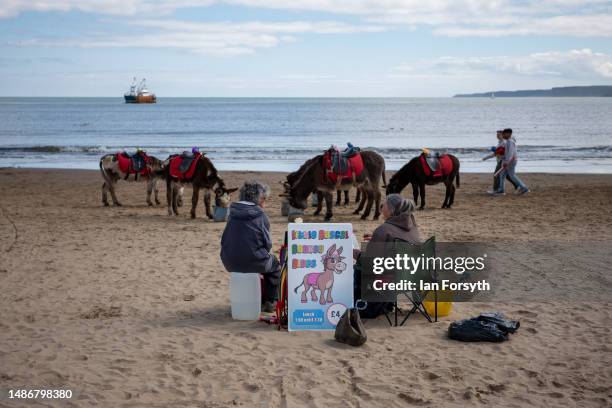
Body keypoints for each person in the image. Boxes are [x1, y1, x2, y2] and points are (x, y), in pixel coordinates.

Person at [352, 194, 421, 318]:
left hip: (390, 280)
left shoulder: (384, 230)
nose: (381, 207)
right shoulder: (413, 227)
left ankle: (361, 305)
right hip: (411, 276)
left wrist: (355, 253)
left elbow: (371, 263)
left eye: (383, 205)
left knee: (358, 267)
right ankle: (386, 304)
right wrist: (376, 240)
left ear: (390, 210)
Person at [220, 181, 279, 312]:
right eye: (265, 199)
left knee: (258, 259)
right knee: (275, 266)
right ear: (260, 199)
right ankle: (271, 301)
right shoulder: (261, 215)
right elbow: (267, 244)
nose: (265, 203)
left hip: (229, 261)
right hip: (254, 261)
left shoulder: (232, 212)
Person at [494, 128, 530, 196]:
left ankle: (524, 188)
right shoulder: (508, 141)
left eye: (504, 134)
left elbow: (510, 153)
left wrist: (507, 162)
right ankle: (501, 190)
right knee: (502, 175)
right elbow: (506, 153)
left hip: (511, 161)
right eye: (502, 134)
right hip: (507, 160)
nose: (503, 135)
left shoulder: (510, 142)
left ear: (509, 134)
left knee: (512, 175)